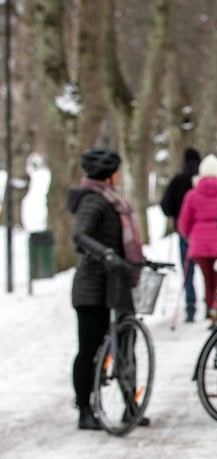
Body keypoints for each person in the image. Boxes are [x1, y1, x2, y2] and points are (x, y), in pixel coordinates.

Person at [67, 147, 148, 430]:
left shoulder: (113, 201)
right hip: (92, 287)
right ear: (109, 175)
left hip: (116, 283)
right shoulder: (94, 201)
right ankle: (85, 409)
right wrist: (107, 255)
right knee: (90, 349)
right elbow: (80, 236)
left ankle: (130, 403)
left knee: (126, 343)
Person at [177, 154, 217, 324]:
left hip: (199, 244)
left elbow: (183, 222)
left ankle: (211, 309)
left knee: (207, 280)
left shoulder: (192, 195)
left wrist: (189, 237)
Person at [160, 147, 201, 322]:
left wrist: (175, 215)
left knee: (188, 269)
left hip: (183, 231)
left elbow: (165, 205)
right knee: (208, 270)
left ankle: (190, 307)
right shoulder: (203, 180)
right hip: (202, 232)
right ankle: (212, 305)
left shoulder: (178, 180)